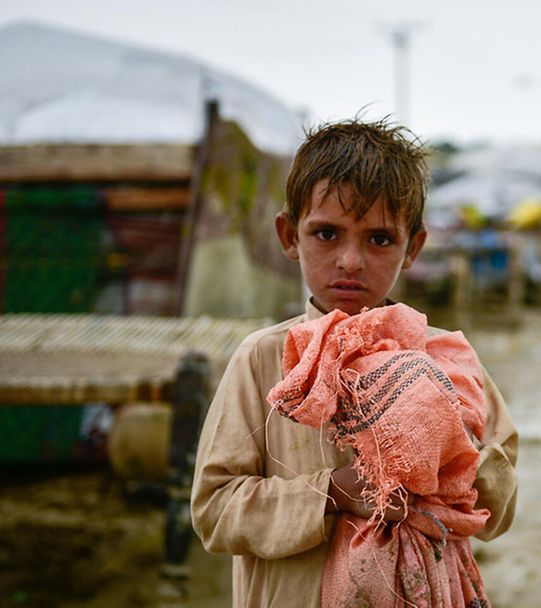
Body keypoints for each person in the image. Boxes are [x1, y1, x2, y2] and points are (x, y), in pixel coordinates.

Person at [190, 118, 518, 607]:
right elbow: (215, 510)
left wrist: (454, 456)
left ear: (414, 248)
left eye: (379, 239)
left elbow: (500, 503)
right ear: (289, 236)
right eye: (326, 233)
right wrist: (333, 494)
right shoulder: (262, 360)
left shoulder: (445, 360)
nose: (350, 260)